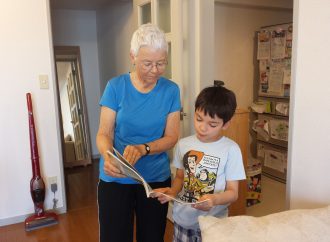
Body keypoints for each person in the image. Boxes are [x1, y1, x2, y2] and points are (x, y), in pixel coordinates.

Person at [96, 23, 181, 242]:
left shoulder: (171, 90)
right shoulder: (115, 87)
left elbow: (171, 137)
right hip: (116, 179)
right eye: (148, 63)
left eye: (161, 63)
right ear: (132, 56)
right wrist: (107, 155)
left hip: (155, 179)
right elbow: (104, 133)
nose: (155, 70)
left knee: (152, 237)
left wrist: (144, 149)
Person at [154, 85, 246, 242]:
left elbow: (233, 192)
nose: (203, 128)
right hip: (183, 221)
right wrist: (172, 192)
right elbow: (180, 178)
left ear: (226, 124)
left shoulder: (231, 149)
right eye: (199, 119)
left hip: (214, 224)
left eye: (212, 124)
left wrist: (214, 200)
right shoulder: (183, 144)